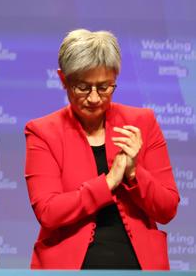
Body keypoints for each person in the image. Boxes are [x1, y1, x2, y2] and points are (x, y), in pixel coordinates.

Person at [24, 29, 180, 269]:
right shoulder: (43, 131)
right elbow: (48, 212)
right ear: (63, 79)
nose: (94, 98)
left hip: (140, 264)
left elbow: (167, 209)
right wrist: (108, 182)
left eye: (104, 87)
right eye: (83, 87)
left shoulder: (142, 122)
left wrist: (133, 172)